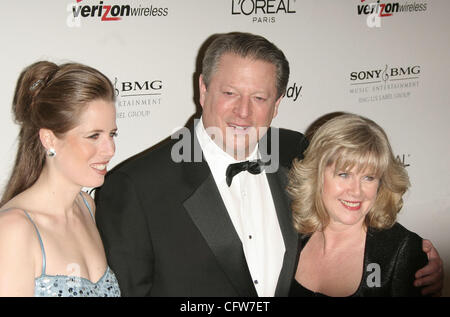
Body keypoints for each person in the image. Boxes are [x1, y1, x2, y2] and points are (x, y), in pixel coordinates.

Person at [95, 32, 443, 297]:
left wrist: (412, 257)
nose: (243, 112)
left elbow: (354, 203)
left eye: (259, 98)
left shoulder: (298, 153)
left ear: (276, 104)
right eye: (230, 93)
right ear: (203, 90)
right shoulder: (137, 186)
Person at [0, 61, 121, 297]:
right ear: (49, 139)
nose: (110, 150)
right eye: (93, 136)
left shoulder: (86, 206)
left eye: (112, 134)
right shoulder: (14, 230)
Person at [287, 113, 431, 296]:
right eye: (344, 175)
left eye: (368, 177)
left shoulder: (401, 251)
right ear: (317, 175)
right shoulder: (291, 233)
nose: (356, 191)